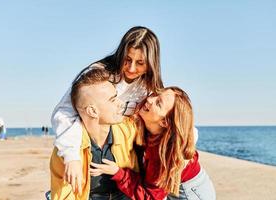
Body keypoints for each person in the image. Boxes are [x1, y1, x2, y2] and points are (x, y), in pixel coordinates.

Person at [51, 26, 163, 192]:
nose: (131, 68)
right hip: (93, 148)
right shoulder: (99, 74)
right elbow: (63, 113)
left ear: (151, 64)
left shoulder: (149, 87)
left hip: (127, 159)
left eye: (140, 63)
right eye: (127, 59)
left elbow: (167, 115)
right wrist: (71, 156)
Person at [90, 87, 216, 200]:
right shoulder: (153, 128)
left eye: (158, 103)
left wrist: (118, 173)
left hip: (190, 193)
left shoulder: (163, 154)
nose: (150, 99)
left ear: (165, 122)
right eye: (155, 94)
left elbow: (150, 197)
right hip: (175, 186)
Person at [50, 68, 140, 200]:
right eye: (112, 99)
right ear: (92, 111)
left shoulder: (128, 130)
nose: (120, 103)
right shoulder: (66, 152)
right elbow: (63, 196)